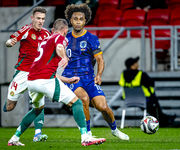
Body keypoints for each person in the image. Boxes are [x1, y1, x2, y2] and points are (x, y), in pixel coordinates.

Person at [7, 18, 106, 146]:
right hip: (45, 81)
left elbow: (49, 70)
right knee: (76, 103)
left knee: (36, 110)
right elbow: (60, 46)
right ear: (65, 31)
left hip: (31, 81)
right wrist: (64, 56)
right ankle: (86, 137)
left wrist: (68, 80)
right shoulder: (60, 38)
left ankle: (14, 138)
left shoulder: (44, 41)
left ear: (52, 30)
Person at [62, 4, 129, 140]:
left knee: (103, 107)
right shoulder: (64, 38)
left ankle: (115, 130)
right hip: (71, 77)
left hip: (89, 78)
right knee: (83, 99)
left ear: (85, 20)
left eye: (81, 19)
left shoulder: (92, 39)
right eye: (75, 19)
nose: (78, 22)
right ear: (70, 20)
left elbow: (100, 60)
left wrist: (98, 75)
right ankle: (87, 133)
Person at [3, 6, 51, 142]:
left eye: (42, 19)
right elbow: (9, 41)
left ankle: (38, 134)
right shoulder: (26, 30)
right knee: (10, 107)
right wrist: (10, 43)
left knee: (39, 104)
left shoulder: (47, 33)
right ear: (32, 18)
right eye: (38, 18)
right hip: (22, 72)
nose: (40, 21)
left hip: (38, 73)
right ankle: (8, 100)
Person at [119, 56, 176, 127]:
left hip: (128, 100)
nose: (138, 64)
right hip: (144, 100)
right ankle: (164, 120)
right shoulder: (141, 74)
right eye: (136, 63)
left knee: (152, 106)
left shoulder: (123, 75)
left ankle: (164, 119)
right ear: (132, 66)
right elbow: (151, 83)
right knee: (153, 103)